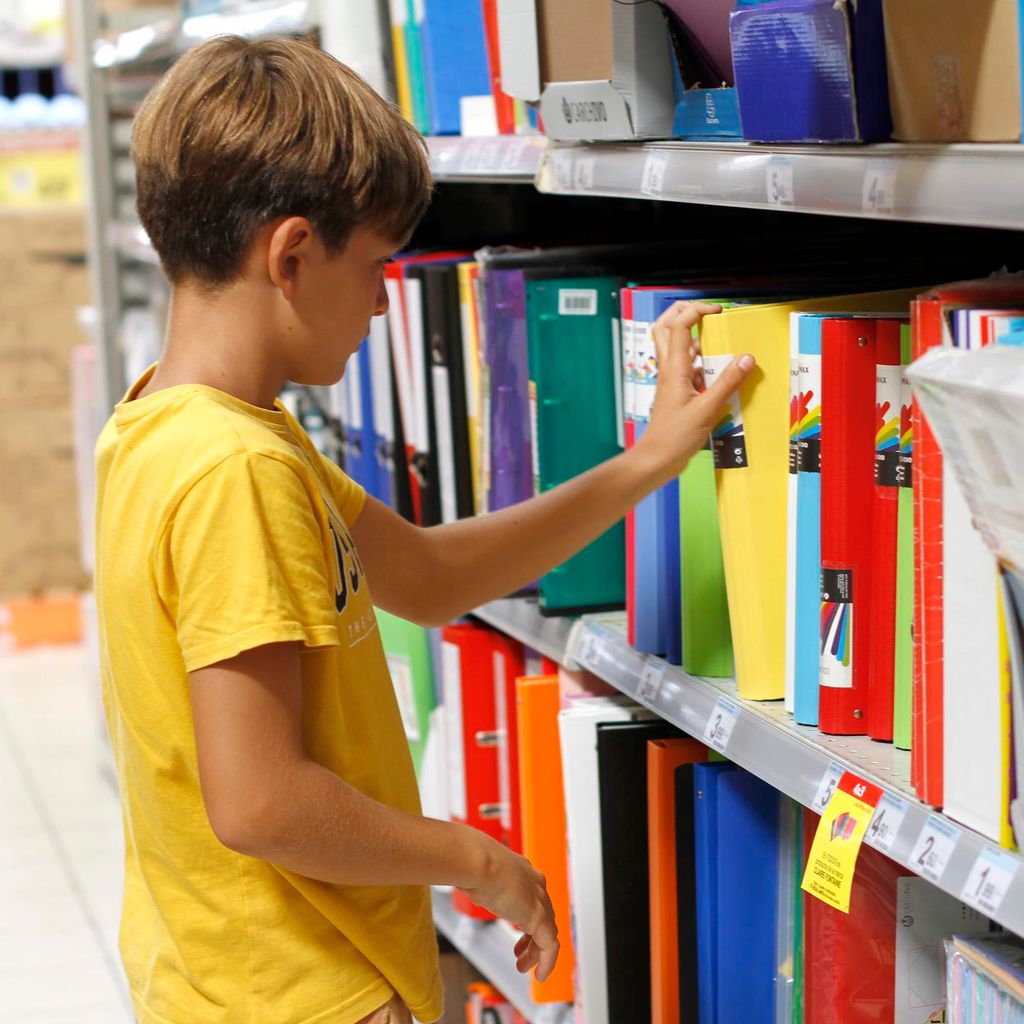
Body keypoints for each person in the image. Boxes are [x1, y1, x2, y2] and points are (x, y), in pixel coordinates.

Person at [93, 33, 755, 1024]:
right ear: (291, 254)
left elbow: (431, 575)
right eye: (376, 268)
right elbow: (259, 801)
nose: (378, 304)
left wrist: (648, 461)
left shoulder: (172, 423)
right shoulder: (235, 468)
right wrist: (473, 856)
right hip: (300, 991)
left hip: (230, 976)